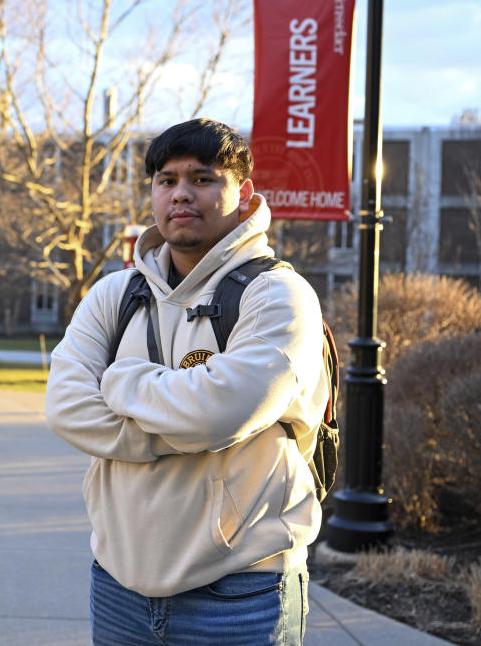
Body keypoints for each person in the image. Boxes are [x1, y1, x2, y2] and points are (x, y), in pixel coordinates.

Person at [45, 118, 328, 645]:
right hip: (118, 585)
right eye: (166, 180)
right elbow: (65, 407)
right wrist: (189, 428)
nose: (181, 194)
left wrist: (122, 382)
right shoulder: (115, 295)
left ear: (242, 194)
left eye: (202, 179)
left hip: (240, 593)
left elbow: (225, 411)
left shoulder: (278, 296)